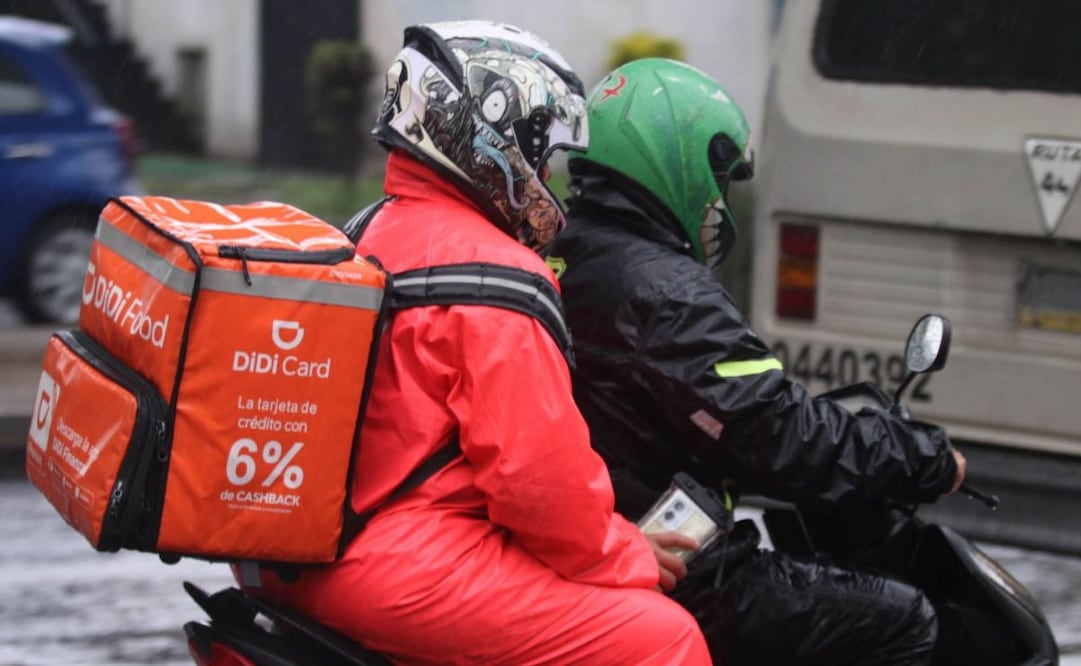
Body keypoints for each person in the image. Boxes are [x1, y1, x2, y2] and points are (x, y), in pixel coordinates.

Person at [246, 24, 710, 665]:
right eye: (541, 152)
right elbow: (539, 488)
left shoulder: (367, 230)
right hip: (404, 569)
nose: (547, 174)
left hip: (304, 557)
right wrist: (626, 552)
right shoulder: (499, 276)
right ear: (494, 138)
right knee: (663, 636)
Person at [545, 57, 968, 666]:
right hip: (676, 560)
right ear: (673, 159)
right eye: (718, 177)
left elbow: (711, 417)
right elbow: (778, 434)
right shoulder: (664, 291)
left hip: (618, 526)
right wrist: (922, 457)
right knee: (902, 620)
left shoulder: (559, 253)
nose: (719, 200)